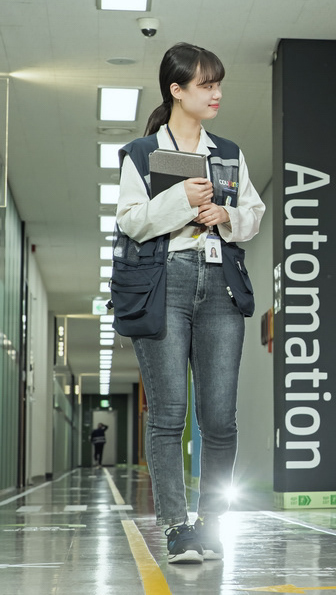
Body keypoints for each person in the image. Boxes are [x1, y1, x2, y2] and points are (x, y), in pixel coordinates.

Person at [114, 42, 265, 564]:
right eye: (206, 85)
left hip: (221, 282)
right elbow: (131, 220)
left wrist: (227, 216)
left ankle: (212, 525)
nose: (216, 93)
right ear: (176, 90)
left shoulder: (229, 152)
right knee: (168, 414)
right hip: (166, 281)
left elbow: (253, 213)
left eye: (218, 84)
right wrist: (184, 200)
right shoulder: (141, 153)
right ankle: (177, 527)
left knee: (220, 418)